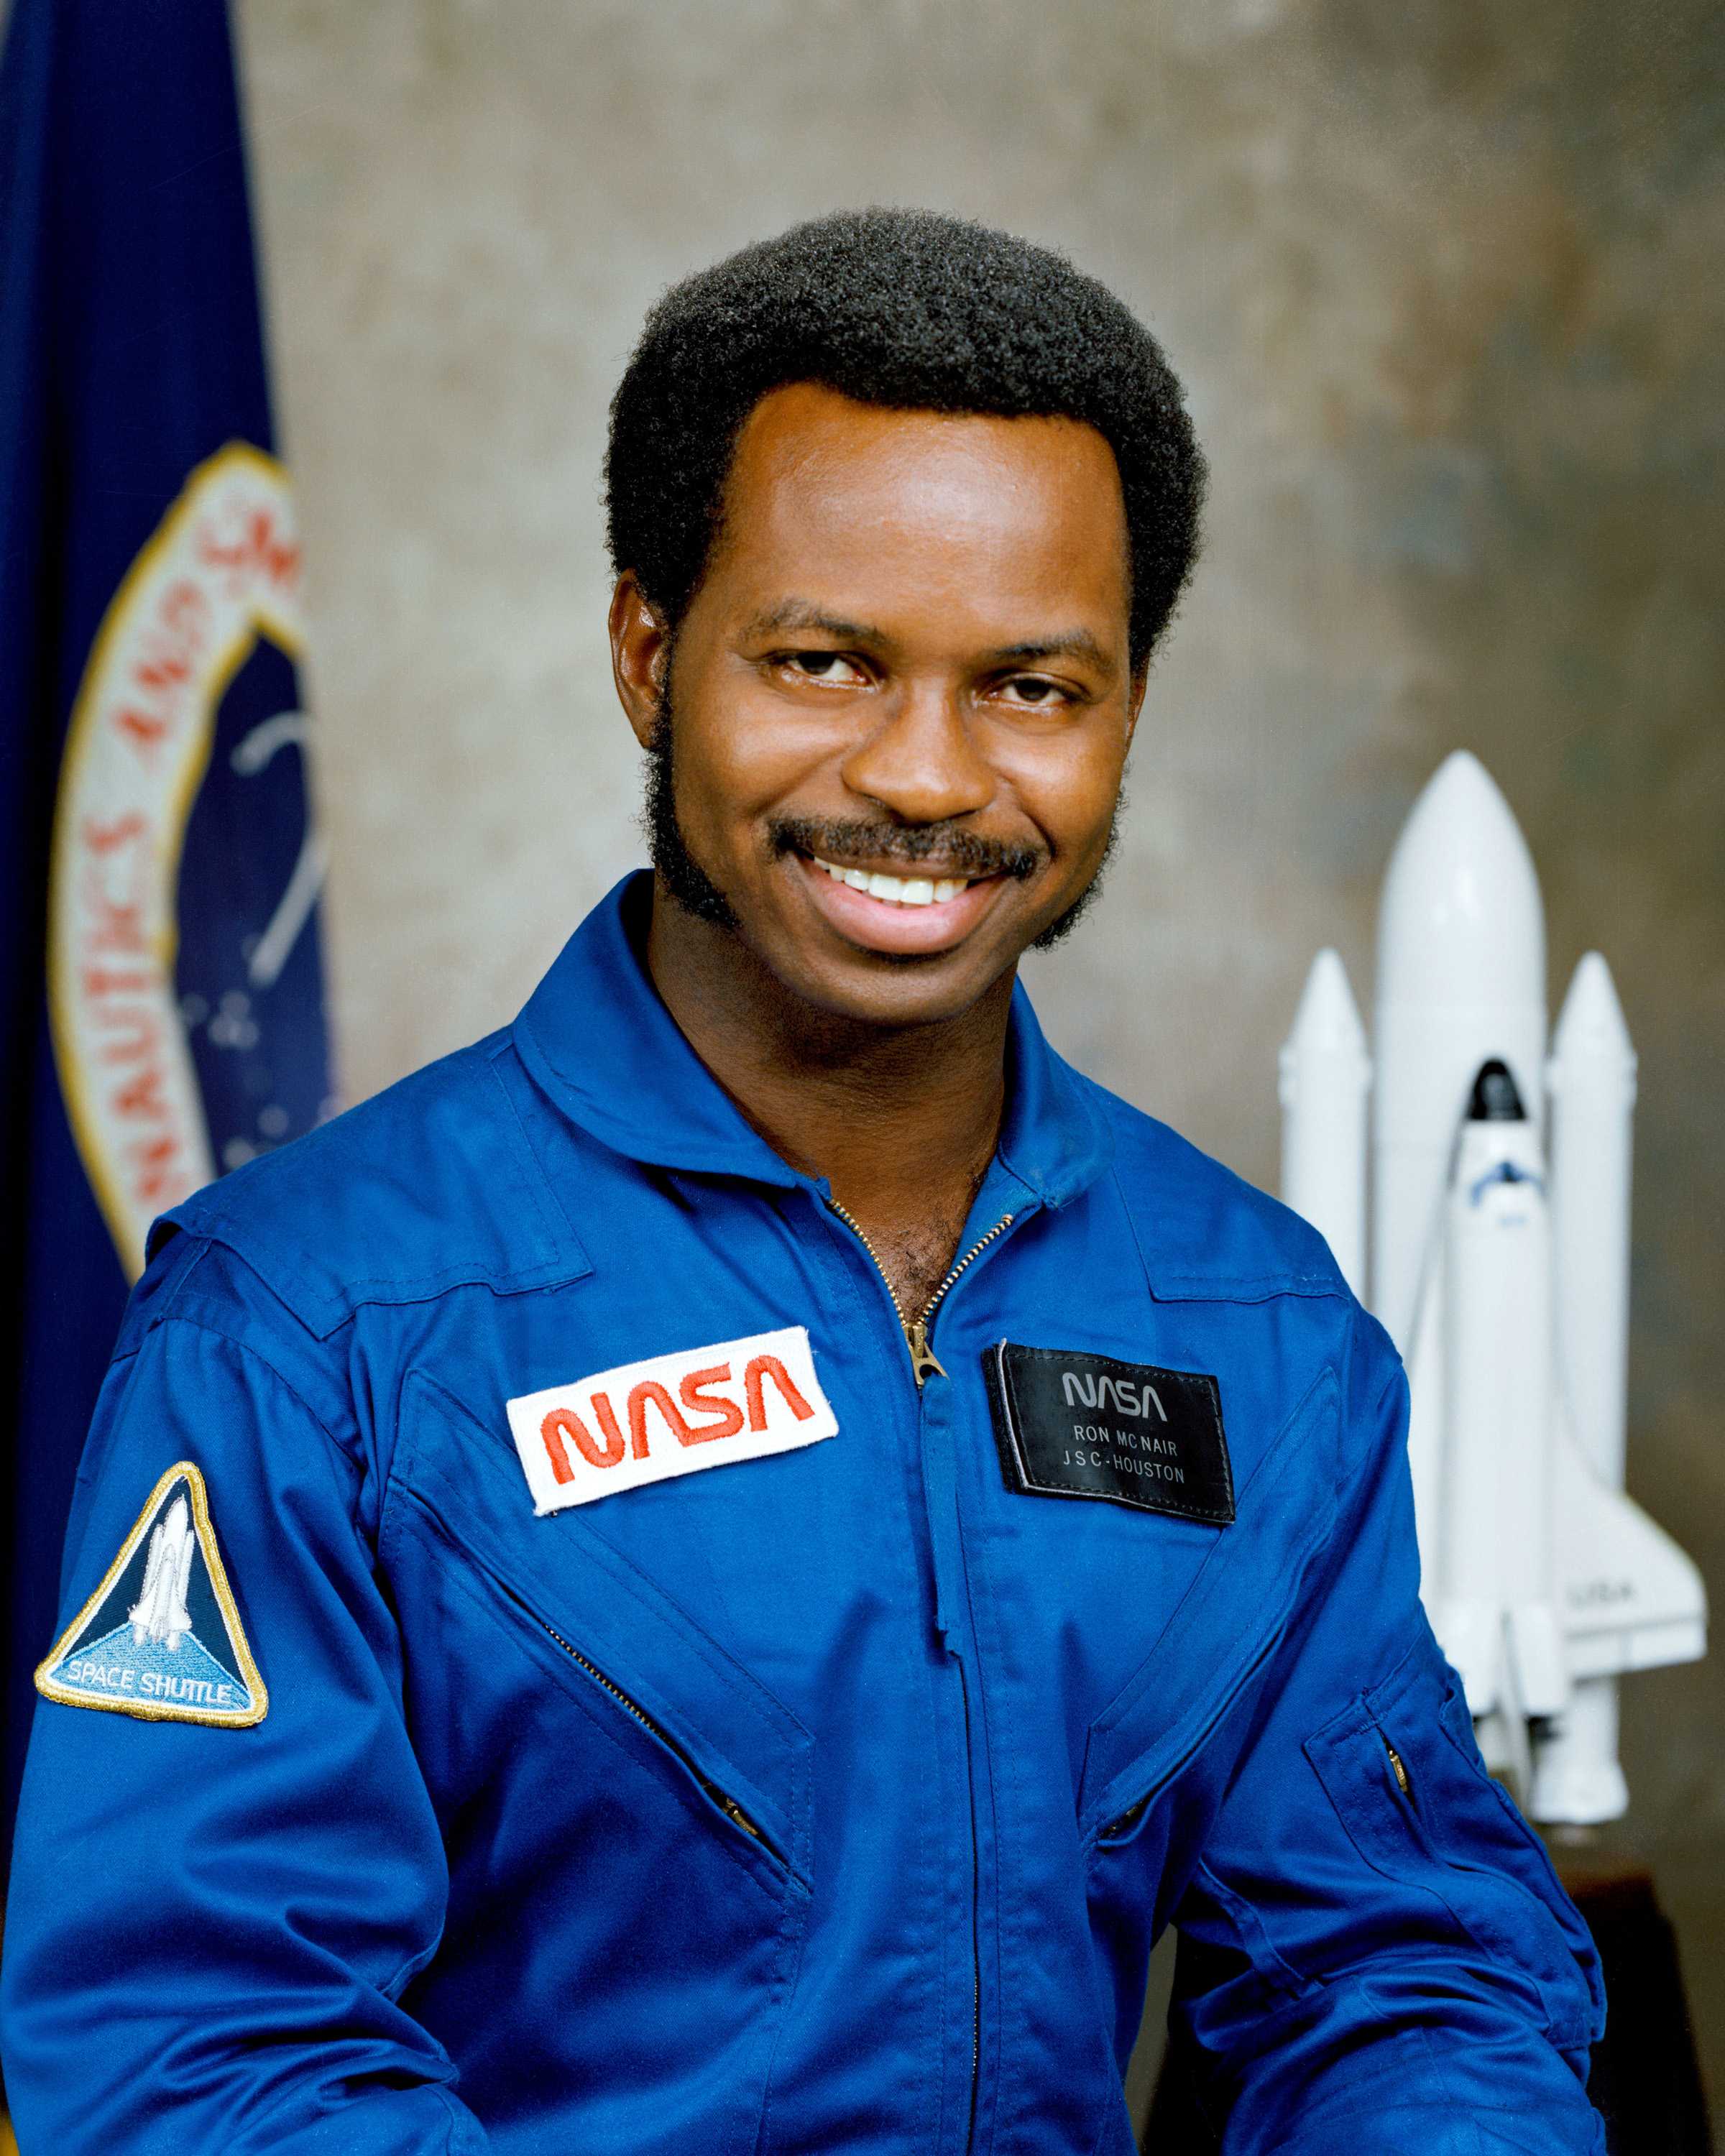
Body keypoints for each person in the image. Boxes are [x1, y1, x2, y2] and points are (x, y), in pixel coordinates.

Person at [1, 209, 1604, 2155]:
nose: (928, 777)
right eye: (828, 660)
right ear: (648, 653)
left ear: (1127, 712)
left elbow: (1401, 1966)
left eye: (1034, 686)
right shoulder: (314, 1327)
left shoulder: (1256, 1331)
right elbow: (200, 2057)